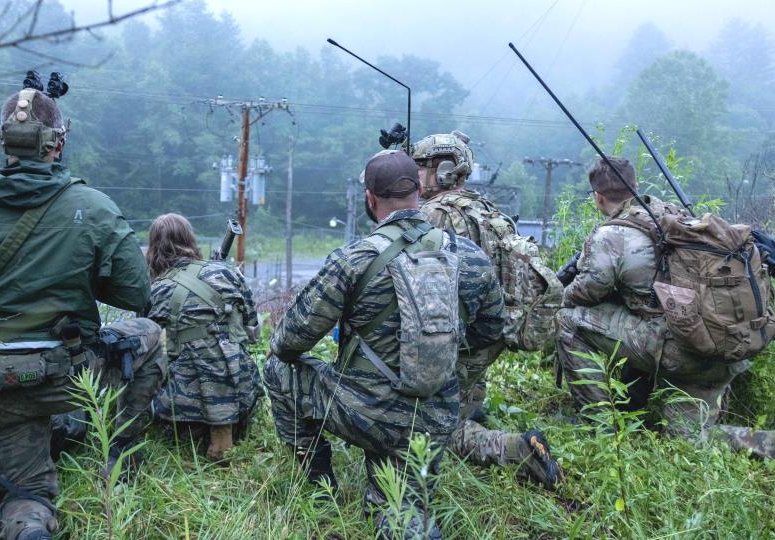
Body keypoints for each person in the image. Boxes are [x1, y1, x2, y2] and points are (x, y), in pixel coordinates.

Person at [0, 83, 161, 540]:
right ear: (58, 142)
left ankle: (28, 524)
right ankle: (119, 452)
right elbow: (137, 294)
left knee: (24, 494)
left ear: (1, 140)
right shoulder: (92, 206)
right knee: (151, 334)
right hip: (69, 379)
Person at [263, 150, 508, 538]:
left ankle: (317, 484)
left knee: (277, 369)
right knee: (399, 511)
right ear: (420, 193)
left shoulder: (354, 259)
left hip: (366, 412)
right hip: (434, 418)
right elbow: (493, 331)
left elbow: (288, 341)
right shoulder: (470, 257)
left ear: (370, 199)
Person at [556, 156, 775, 458]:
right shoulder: (673, 215)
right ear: (635, 186)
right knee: (687, 444)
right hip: (723, 346)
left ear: (598, 197)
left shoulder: (610, 236)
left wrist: (560, 294)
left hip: (680, 352)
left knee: (568, 319)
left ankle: (601, 428)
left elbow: (589, 290)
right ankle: (768, 444)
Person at [412, 132, 563, 488]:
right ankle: (468, 407)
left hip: (457, 338)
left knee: (427, 430)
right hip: (489, 335)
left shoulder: (433, 215)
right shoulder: (486, 210)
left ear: (444, 170)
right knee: (464, 395)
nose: (413, 175)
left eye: (419, 167)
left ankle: (516, 450)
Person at [146, 213, 262, 461]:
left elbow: (149, 348)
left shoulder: (156, 290)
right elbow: (253, 330)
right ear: (190, 239)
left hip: (182, 409)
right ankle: (225, 431)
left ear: (154, 247)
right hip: (242, 397)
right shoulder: (228, 274)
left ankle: (196, 434)